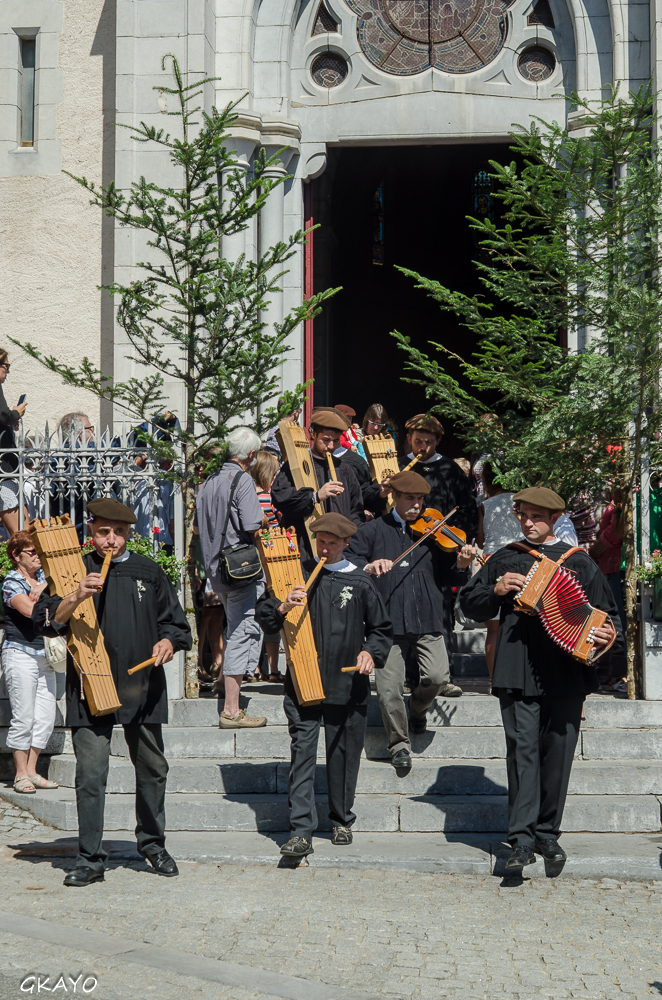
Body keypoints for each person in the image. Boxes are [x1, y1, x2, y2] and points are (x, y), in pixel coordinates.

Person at [33, 497, 192, 887]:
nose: (111, 541)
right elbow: (49, 621)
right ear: (91, 531)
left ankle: (153, 845)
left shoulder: (148, 570)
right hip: (89, 684)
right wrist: (75, 595)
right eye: (104, 532)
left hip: (142, 686)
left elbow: (175, 624)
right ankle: (90, 859)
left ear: (129, 535)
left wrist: (168, 643)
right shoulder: (72, 568)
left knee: (153, 769)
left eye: (119, 533)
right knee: (90, 774)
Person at [459, 487, 619, 871]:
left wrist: (606, 635)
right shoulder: (506, 557)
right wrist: (494, 590)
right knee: (522, 754)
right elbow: (469, 604)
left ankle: (548, 834)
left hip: (567, 672)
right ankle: (520, 841)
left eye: (536, 517)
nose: (528, 523)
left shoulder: (579, 562)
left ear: (554, 518)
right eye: (524, 515)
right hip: (516, 669)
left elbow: (608, 616)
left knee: (558, 755)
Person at [255, 512, 393, 859]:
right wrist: (283, 606)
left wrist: (370, 653)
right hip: (303, 680)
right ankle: (301, 831)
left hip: (348, 682)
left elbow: (381, 630)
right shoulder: (296, 575)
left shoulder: (360, 581)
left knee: (344, 753)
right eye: (321, 541)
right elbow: (264, 613)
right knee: (302, 754)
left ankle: (341, 818)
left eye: (333, 543)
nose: (325, 548)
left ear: (347, 544)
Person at [347, 471, 475, 770]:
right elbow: (349, 561)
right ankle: (399, 744)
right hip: (386, 622)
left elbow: (449, 576)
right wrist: (368, 566)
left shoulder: (435, 532)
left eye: (420, 499)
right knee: (389, 689)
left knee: (437, 677)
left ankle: (417, 709)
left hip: (428, 615)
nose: (417, 505)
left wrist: (461, 564)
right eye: (410, 498)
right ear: (394, 497)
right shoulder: (372, 530)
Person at [195, 426, 268, 727]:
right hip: (241, 569)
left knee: (233, 624)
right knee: (241, 631)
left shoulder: (209, 481)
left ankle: (224, 684)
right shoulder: (243, 480)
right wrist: (265, 518)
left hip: (217, 569)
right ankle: (232, 710)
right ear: (251, 455)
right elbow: (253, 524)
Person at [2, 531, 58, 794]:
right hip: (20, 653)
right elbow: (29, 611)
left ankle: (33, 772)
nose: (38, 556)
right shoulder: (11, 582)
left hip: (46, 656)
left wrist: (45, 587)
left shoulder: (44, 580)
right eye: (32, 552)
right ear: (17, 555)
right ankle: (20, 774)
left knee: (45, 718)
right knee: (23, 717)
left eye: (39, 551)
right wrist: (48, 595)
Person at [271, 407, 364, 562]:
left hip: (338, 551)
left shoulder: (345, 469)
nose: (331, 446)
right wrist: (314, 497)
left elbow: (356, 510)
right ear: (313, 434)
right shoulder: (296, 465)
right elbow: (279, 497)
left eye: (335, 441)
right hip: (303, 547)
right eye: (326, 440)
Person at [475, 462, 520, 676]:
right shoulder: (521, 502)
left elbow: (481, 540)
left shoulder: (486, 504)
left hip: (492, 560)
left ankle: (494, 680)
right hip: (520, 559)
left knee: (493, 627)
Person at [250, 449, 283, 683]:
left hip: (260, 560)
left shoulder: (250, 495)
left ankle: (263, 668)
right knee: (268, 611)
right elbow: (266, 528)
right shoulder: (263, 497)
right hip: (266, 560)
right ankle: (264, 668)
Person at [0, 349, 28, 535]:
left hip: (5, 468)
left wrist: (9, 422)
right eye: (6, 366)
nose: (8, 371)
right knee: (22, 532)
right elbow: (3, 416)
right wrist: (16, 413)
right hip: (3, 467)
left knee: (25, 526)